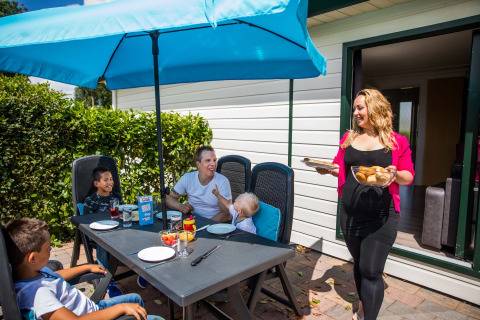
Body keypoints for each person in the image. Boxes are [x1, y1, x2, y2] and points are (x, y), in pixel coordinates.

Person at [316, 89, 414, 320]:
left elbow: (408, 176)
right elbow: (341, 168)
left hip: (381, 215)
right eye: (355, 109)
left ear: (375, 108)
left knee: (371, 271)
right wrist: (327, 169)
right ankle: (362, 306)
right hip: (349, 214)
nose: (356, 113)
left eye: (360, 107)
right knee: (360, 264)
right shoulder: (348, 138)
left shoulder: (396, 142)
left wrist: (394, 173)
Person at [3, 217, 163, 320]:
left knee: (135, 299)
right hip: (88, 315)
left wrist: (85, 267)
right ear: (32, 257)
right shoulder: (38, 296)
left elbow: (55, 276)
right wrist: (121, 308)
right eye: (48, 248)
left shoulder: (31, 271)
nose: (51, 250)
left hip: (89, 307)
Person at [83, 166, 126, 294]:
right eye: (106, 180)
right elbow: (86, 222)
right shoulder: (91, 201)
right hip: (99, 234)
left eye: (111, 179)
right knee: (103, 243)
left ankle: (140, 271)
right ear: (96, 183)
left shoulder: (116, 197)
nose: (110, 182)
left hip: (117, 231)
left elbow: (122, 212)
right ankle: (108, 281)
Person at [166, 146, 232, 222]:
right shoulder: (187, 178)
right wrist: (180, 206)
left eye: (214, 160)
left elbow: (227, 214)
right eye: (208, 160)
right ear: (198, 164)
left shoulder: (222, 181)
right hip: (193, 221)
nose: (213, 164)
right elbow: (169, 197)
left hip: (214, 225)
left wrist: (205, 225)